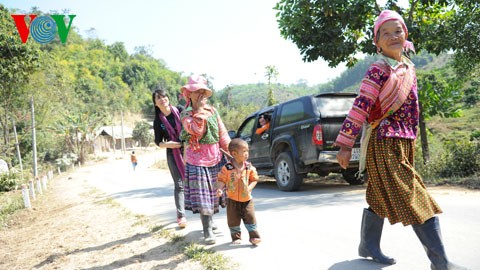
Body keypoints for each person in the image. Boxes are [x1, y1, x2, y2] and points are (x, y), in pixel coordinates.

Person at [335, 10, 467, 270]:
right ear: (377, 42)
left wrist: (412, 140)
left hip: (403, 141)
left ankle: (368, 245)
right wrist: (345, 143)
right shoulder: (378, 70)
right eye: (386, 33)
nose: (393, 36)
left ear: (405, 34)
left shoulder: (408, 67)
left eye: (398, 31)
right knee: (413, 194)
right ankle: (440, 262)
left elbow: (413, 108)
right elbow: (361, 106)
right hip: (384, 141)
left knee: (379, 194)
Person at [179, 75, 231, 245]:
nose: (200, 94)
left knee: (214, 194)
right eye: (196, 91)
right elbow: (195, 130)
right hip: (197, 161)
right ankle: (207, 229)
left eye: (202, 91)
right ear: (189, 94)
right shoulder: (186, 114)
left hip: (216, 158)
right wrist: (199, 110)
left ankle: (211, 222)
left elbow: (222, 133)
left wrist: (232, 152)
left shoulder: (213, 111)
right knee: (203, 197)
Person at [152, 89, 187, 228]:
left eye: (164, 96)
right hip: (173, 153)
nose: (162, 99)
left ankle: (204, 212)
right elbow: (158, 142)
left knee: (196, 181)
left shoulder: (179, 110)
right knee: (179, 185)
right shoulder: (158, 121)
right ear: (155, 103)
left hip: (190, 150)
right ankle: (181, 216)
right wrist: (170, 144)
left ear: (168, 98)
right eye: (158, 98)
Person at [216, 138, 261, 246]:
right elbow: (221, 180)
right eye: (244, 151)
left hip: (247, 200)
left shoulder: (248, 166)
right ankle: (236, 238)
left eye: (247, 151)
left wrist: (249, 188)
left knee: (250, 218)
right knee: (233, 220)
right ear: (234, 154)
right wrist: (219, 189)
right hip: (232, 199)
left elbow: (254, 179)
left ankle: (254, 237)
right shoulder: (227, 168)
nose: (246, 154)